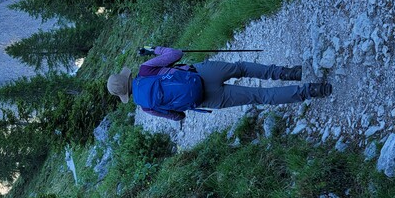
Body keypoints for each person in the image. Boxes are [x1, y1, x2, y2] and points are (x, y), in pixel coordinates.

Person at [106, 46, 332, 122]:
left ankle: (312, 91)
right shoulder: (145, 70)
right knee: (242, 67)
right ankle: (289, 73)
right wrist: (155, 50)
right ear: (127, 78)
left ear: (124, 94)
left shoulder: (145, 106)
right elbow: (176, 53)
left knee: (259, 97)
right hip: (203, 73)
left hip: (207, 99)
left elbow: (178, 116)